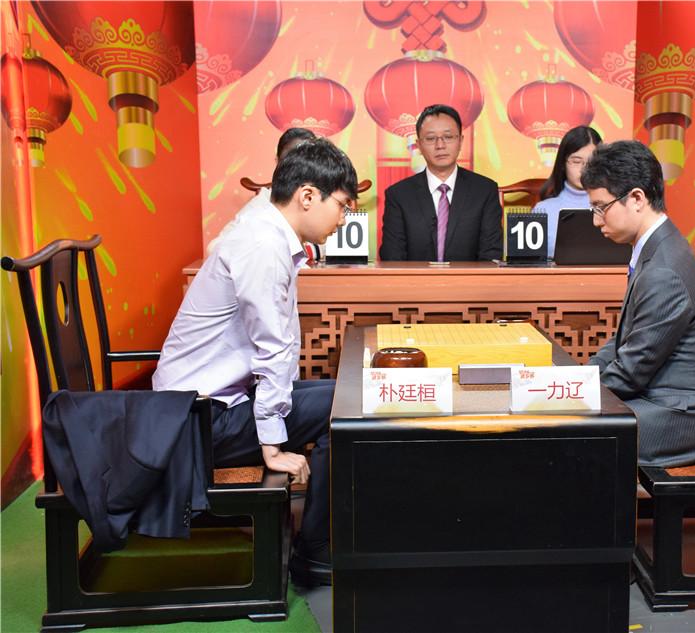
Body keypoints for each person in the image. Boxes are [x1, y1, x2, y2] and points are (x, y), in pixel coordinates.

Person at [153, 138, 359, 587]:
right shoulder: (263, 245)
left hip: (207, 404)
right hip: (197, 420)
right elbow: (273, 349)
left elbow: (275, 350)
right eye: (342, 206)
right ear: (308, 196)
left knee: (347, 396)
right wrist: (273, 446)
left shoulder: (264, 227)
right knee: (343, 410)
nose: (344, 219)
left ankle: (319, 539)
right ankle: (316, 551)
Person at [581, 140, 695, 467]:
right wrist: (581, 378)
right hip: (661, 401)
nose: (596, 221)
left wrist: (573, 394)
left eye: (601, 207)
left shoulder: (664, 270)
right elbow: (624, 342)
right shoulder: (658, 247)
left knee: (570, 433)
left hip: (681, 419)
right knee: (567, 427)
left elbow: (631, 373)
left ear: (637, 198)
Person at [378, 104, 502, 262]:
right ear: (419, 145)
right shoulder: (399, 195)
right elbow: (392, 257)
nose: (440, 145)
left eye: (448, 137)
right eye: (430, 139)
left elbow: (491, 255)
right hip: (416, 278)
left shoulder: (484, 191)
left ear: (460, 141)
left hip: (469, 279)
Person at [208, 127, 318, 252]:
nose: (298, 171)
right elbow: (214, 248)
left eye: (307, 163)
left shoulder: (323, 200)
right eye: (289, 163)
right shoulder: (262, 204)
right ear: (277, 162)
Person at [531, 126, 602, 258]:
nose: (584, 170)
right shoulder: (543, 210)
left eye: (592, 162)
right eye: (576, 161)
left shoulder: (612, 206)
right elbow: (530, 261)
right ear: (563, 164)